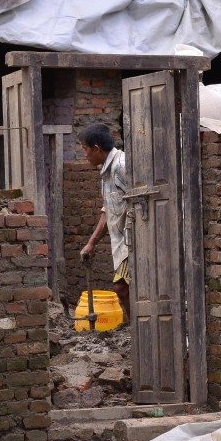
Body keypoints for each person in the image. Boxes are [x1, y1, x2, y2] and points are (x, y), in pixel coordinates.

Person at [78, 123, 131, 323]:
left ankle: (137, 330)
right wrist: (92, 242)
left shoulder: (122, 167)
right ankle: (135, 330)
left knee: (121, 287)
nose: (85, 155)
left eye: (85, 149)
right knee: (124, 288)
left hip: (132, 240)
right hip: (121, 242)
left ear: (97, 149)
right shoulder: (106, 173)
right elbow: (107, 209)